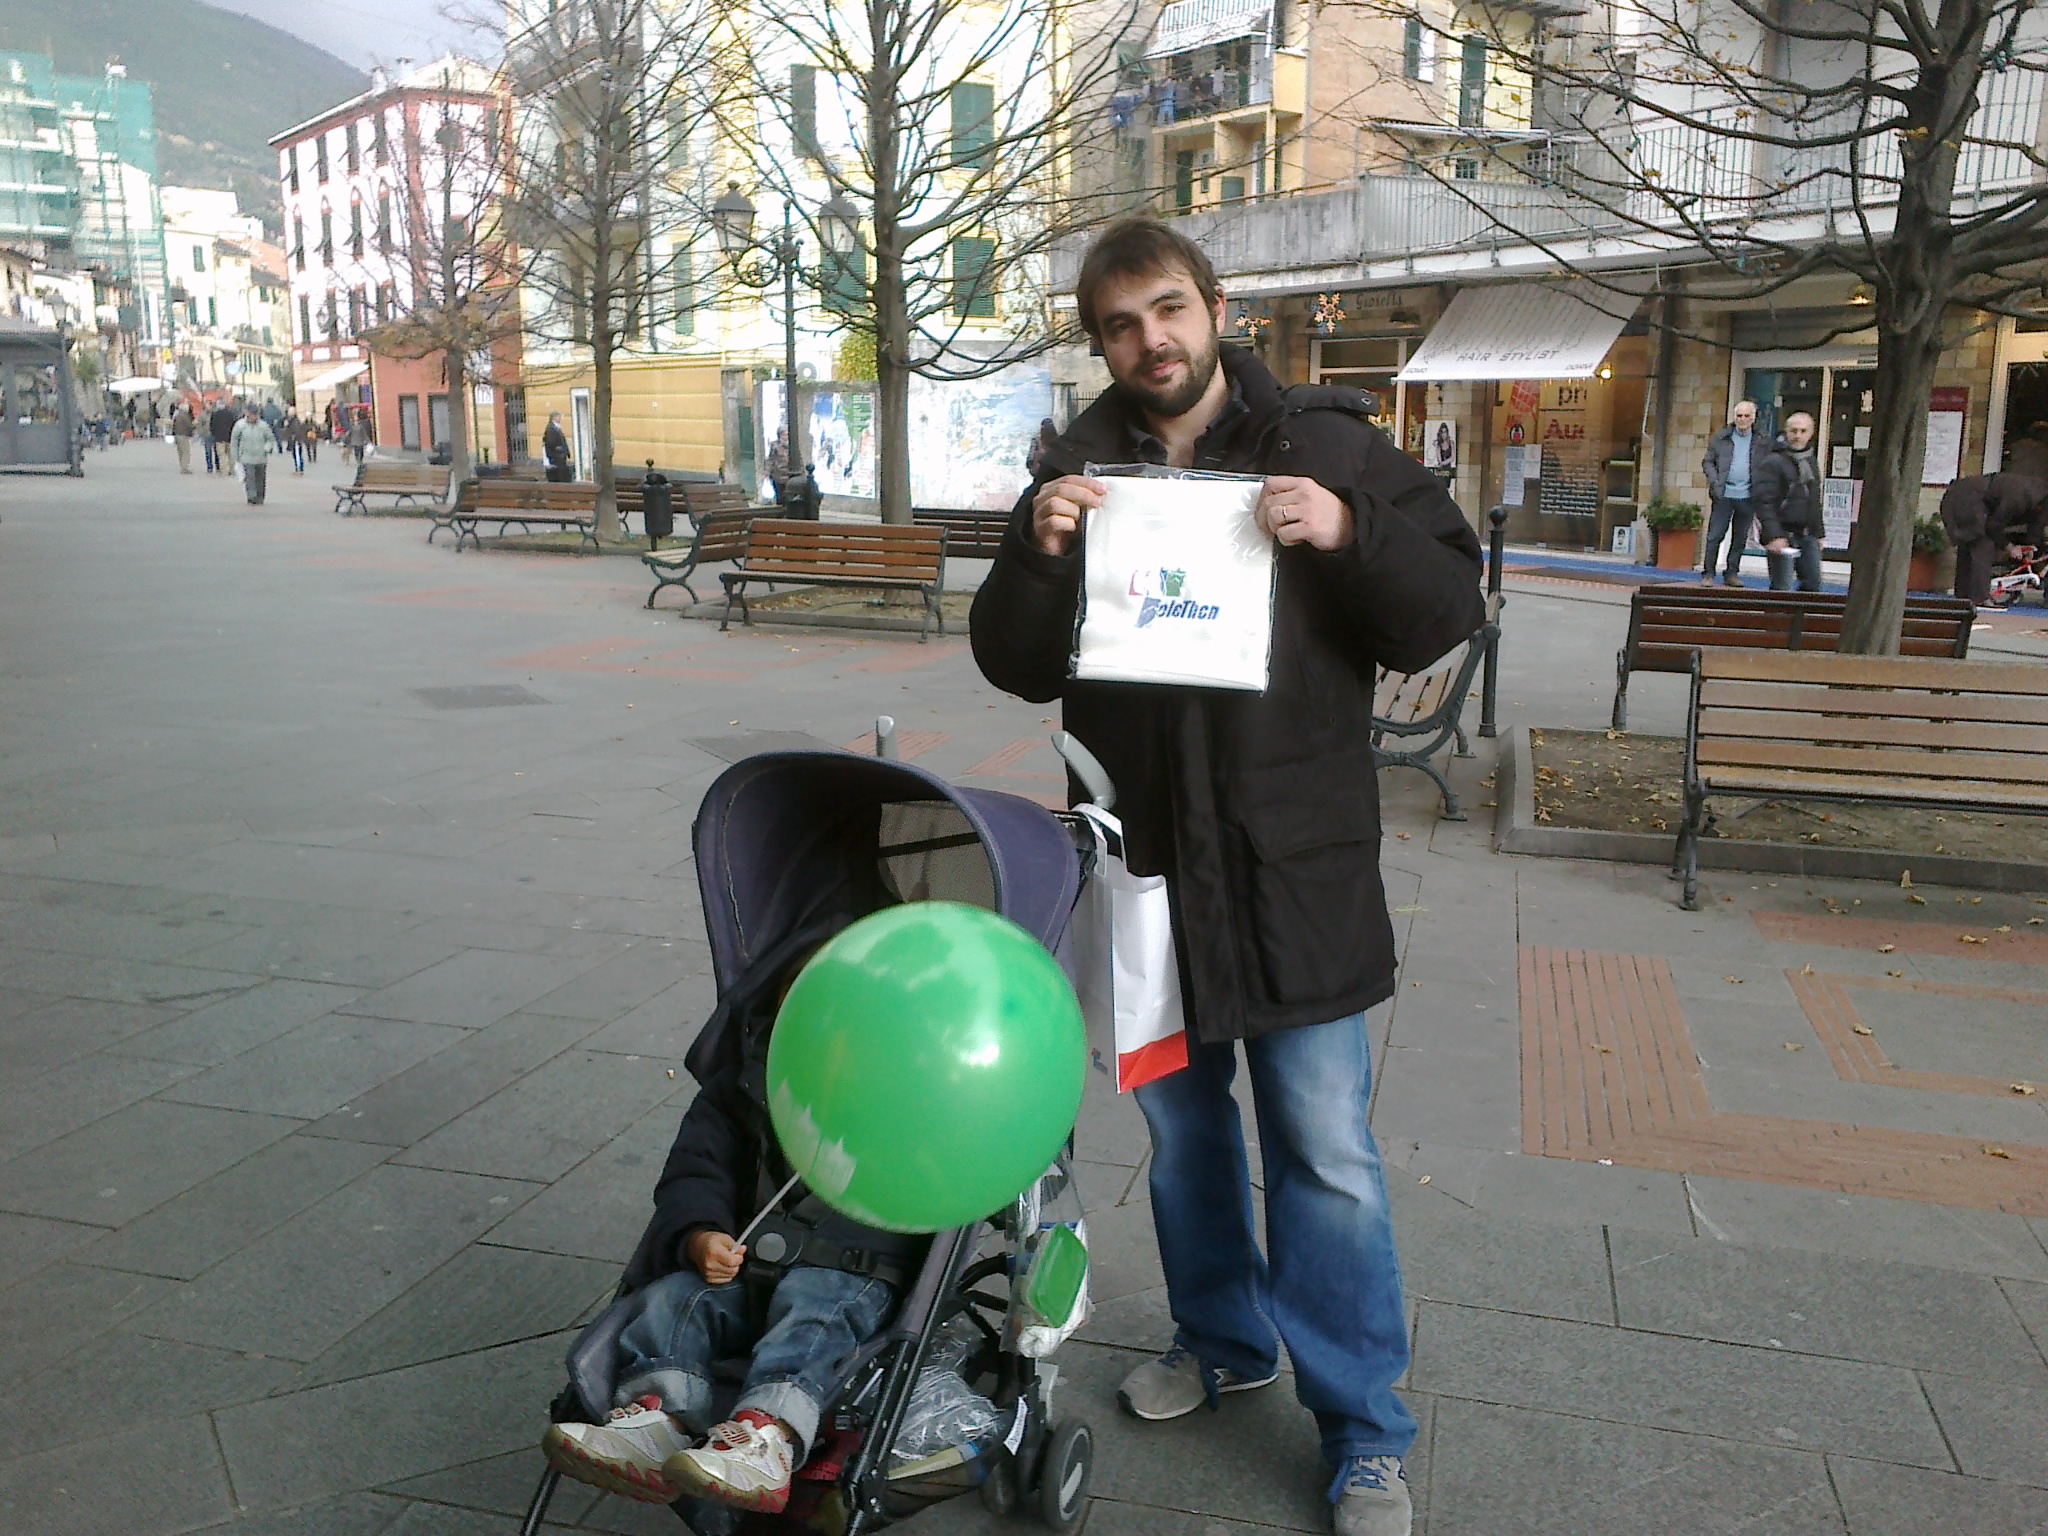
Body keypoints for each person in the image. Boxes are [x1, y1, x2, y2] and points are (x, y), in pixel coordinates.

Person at [969, 216, 1483, 1536]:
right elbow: (1015, 663)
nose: (1152, 341)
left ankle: (1365, 1427)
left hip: (1291, 871)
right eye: (1123, 325)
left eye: (1169, 311)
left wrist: (1348, 526)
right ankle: (1222, 1337)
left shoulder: (1325, 445)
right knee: (1186, 1138)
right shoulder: (1076, 468)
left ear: (1216, 308)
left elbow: (1441, 611)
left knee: (1326, 1152)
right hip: (1143, 873)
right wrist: (1036, 550)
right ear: (1103, 344)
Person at [539, 926, 913, 1514]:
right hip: (744, 1261)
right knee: (674, 1299)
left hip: (849, 1271)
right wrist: (698, 1234)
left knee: (813, 1318)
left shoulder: (908, 1105)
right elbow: (697, 1170)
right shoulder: (741, 1089)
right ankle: (655, 1417)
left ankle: (765, 1434)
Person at [1939, 471, 2048, 604]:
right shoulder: (2020, 497)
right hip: (1966, 499)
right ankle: (1979, 598)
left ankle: (1963, 597)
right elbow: (1993, 526)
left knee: (1971, 546)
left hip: (1966, 497)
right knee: (1982, 545)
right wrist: (2009, 547)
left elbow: (2037, 522)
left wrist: (2031, 546)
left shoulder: (2041, 496)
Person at [1751, 410, 1824, 592]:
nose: (1798, 436)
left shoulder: (1811, 461)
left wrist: (1819, 532)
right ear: (1786, 432)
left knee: (1813, 585)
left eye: (1803, 431)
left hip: (1807, 534)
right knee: (1782, 588)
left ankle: (1803, 621)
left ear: (1811, 433)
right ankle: (1777, 621)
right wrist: (1774, 535)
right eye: (1794, 430)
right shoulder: (1773, 461)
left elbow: (1814, 499)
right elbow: (1764, 502)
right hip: (1782, 532)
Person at [1700, 398, 1759, 586]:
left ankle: (1731, 573)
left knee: (1740, 538)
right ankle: (1708, 573)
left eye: (1746, 416)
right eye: (1739, 416)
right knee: (1715, 535)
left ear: (1753, 418)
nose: (1742, 419)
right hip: (1723, 494)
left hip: (1747, 496)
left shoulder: (1761, 440)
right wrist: (1715, 482)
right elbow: (1707, 461)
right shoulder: (1722, 437)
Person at [230, 402, 276, 504]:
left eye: (256, 414)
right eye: (252, 414)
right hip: (246, 457)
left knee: (260, 479)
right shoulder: (240, 425)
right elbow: (234, 441)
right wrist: (236, 456)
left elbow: (270, 439)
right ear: (247, 413)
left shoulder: (263, 426)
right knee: (250, 478)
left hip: (261, 458)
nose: (254, 416)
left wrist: (266, 448)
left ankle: (260, 496)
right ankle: (251, 496)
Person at [209, 398, 238, 476]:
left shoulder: (215, 414)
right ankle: (232, 470)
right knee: (231, 455)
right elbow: (234, 424)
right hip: (229, 437)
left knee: (222, 455)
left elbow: (212, 426)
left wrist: (214, 434)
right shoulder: (230, 414)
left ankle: (224, 470)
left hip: (219, 438)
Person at [542, 411, 574, 482]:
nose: (560, 418)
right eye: (559, 417)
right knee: (559, 474)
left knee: (562, 472)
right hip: (557, 456)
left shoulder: (556, 427)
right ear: (554, 418)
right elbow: (550, 442)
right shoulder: (551, 428)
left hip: (560, 455)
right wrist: (558, 449)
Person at [169, 400, 196, 473]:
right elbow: (190, 425)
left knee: (180, 452)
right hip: (184, 435)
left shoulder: (177, 415)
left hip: (177, 435)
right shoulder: (185, 416)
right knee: (186, 453)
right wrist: (195, 425)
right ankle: (185, 468)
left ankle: (182, 466)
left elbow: (173, 426)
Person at [282, 409, 306, 474]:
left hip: (296, 441)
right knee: (295, 455)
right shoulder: (291, 421)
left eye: (290, 412)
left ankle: (299, 469)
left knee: (297, 455)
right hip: (293, 440)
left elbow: (296, 431)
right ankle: (298, 468)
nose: (288, 414)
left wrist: (295, 438)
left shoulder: (295, 421)